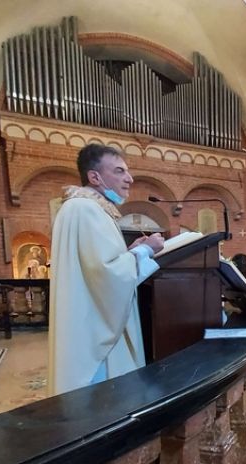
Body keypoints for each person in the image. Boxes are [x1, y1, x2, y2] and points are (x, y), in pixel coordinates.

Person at [48, 144, 164, 396]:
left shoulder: (87, 209)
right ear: (95, 177)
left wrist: (130, 251)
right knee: (99, 401)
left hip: (91, 319)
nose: (129, 178)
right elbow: (107, 274)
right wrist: (145, 250)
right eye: (120, 171)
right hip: (94, 333)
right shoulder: (85, 209)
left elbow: (101, 265)